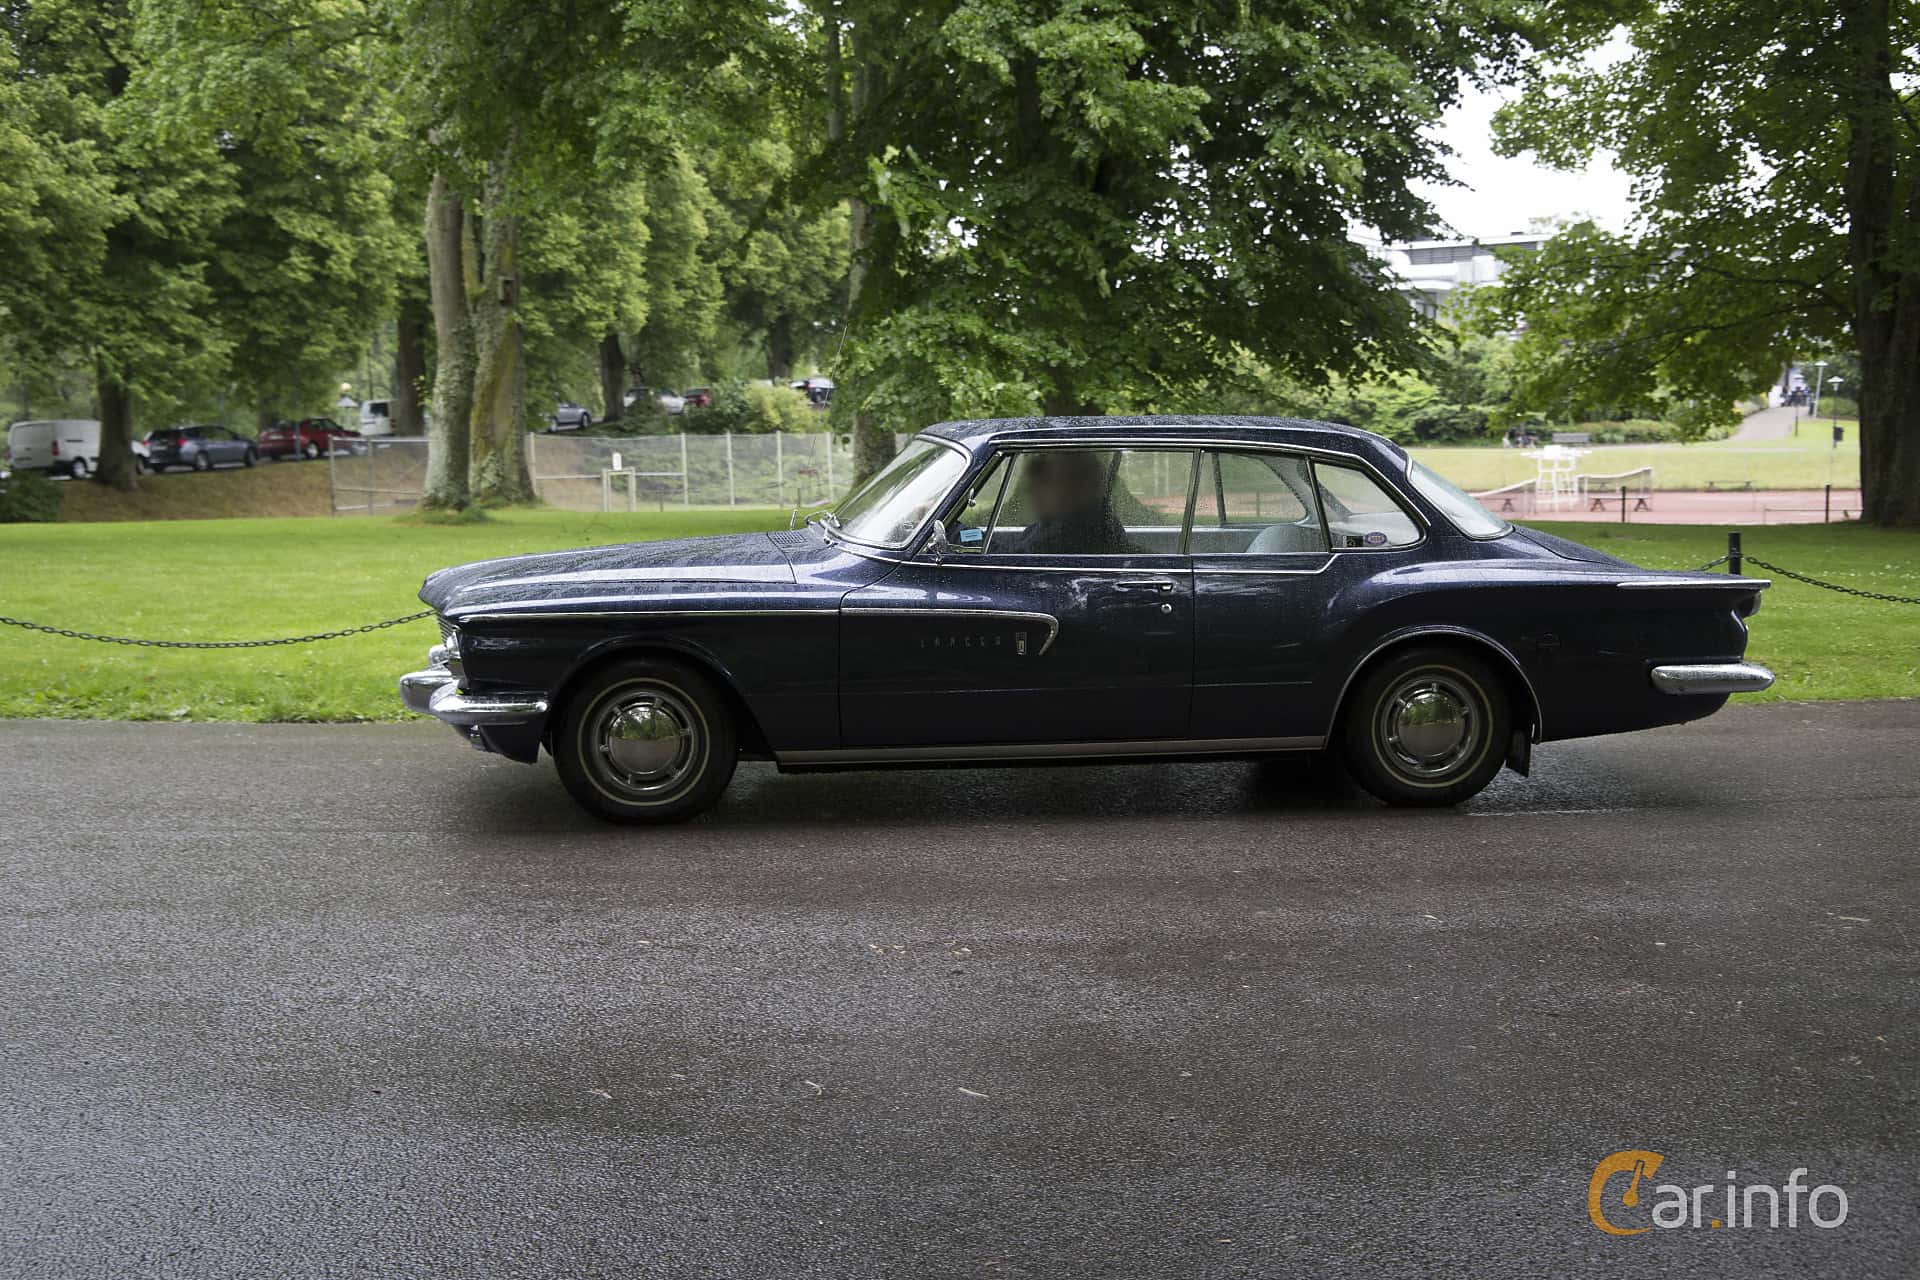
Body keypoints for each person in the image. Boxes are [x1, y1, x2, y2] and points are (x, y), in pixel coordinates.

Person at [994, 451, 1144, 555]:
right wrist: (978, 536)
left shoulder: (1071, 532)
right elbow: (1018, 545)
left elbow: (1017, 558)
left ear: (1075, 488)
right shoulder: (1097, 519)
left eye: (1048, 481)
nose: (1032, 491)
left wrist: (982, 540)